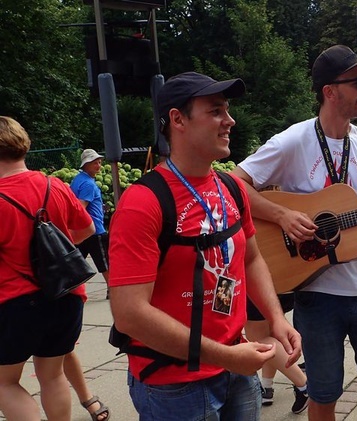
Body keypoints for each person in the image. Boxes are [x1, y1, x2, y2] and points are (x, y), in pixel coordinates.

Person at [231, 45, 357, 421]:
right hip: (316, 293)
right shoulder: (293, 140)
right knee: (323, 395)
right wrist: (281, 215)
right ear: (330, 91)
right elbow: (233, 183)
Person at [108, 72, 301, 420]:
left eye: (226, 110)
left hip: (236, 369)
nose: (230, 120)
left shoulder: (232, 188)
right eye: (215, 111)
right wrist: (225, 357)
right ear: (177, 119)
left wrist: (275, 319)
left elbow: (251, 259)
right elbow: (129, 314)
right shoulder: (143, 202)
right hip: (173, 386)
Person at [0, 116, 96, 420]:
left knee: (4, 382)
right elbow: (86, 229)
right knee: (53, 376)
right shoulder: (55, 185)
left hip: (16, 303)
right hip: (66, 296)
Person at [245, 294, 309, 414]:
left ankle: (304, 386)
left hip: (258, 287)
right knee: (271, 332)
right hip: (281, 285)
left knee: (258, 337)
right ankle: (266, 387)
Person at [70, 149, 110, 297]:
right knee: (104, 263)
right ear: (86, 165)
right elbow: (80, 208)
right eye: (95, 163)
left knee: (76, 262)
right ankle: (112, 289)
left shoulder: (77, 180)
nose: (99, 165)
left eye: (99, 162)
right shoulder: (89, 184)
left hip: (81, 231)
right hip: (95, 230)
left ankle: (73, 290)